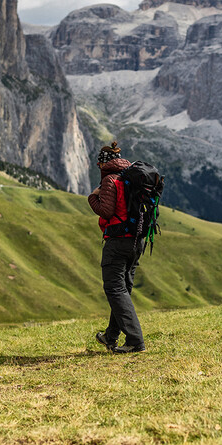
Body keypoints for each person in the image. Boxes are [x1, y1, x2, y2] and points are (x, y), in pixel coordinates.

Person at [87, 141, 145, 353]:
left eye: (98, 166)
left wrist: (92, 197)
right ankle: (110, 336)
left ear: (103, 164)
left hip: (118, 240)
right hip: (137, 240)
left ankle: (135, 341)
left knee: (114, 288)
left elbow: (107, 211)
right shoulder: (130, 177)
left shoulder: (111, 180)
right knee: (123, 288)